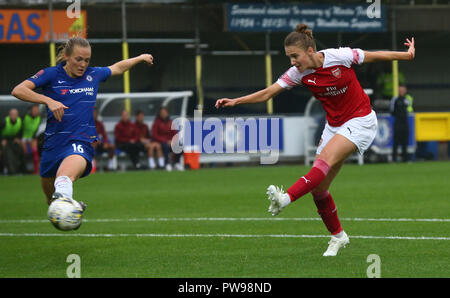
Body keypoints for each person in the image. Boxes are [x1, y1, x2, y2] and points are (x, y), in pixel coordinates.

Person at [215, 24, 415, 256]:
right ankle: (338, 236)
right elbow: (268, 93)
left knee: (324, 162)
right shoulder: (297, 74)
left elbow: (374, 56)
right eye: (289, 57)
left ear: (310, 51)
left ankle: (285, 198)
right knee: (319, 188)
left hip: (361, 121)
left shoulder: (339, 56)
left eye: (295, 56)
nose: (292, 62)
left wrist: (406, 55)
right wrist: (235, 101)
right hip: (334, 126)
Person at [11, 36, 154, 211]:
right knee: (52, 201)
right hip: (53, 144)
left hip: (80, 141)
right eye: (78, 59)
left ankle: (67, 201)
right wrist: (48, 100)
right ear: (66, 56)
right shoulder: (51, 74)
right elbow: (18, 90)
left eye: (86, 60)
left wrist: (139, 58)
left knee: (64, 179)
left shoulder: (93, 75)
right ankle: (67, 205)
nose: (83, 64)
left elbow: (117, 67)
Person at [151, 106, 183, 171]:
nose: (164, 114)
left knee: (180, 145)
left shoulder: (170, 122)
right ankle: (167, 163)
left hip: (170, 141)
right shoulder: (156, 123)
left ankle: (176, 163)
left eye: (165, 112)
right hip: (161, 142)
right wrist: (165, 140)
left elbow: (175, 133)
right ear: (160, 114)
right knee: (165, 147)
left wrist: (172, 140)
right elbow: (155, 135)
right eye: (162, 113)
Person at [0, 108, 26, 175]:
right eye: (12, 114)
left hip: (13, 140)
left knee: (20, 150)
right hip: (4, 140)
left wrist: (18, 138)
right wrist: (2, 139)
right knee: (8, 153)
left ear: (17, 115)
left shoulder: (20, 121)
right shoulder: (4, 121)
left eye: (15, 114)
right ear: (9, 115)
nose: (14, 116)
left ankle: (21, 170)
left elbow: (21, 132)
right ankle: (9, 170)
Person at [390, 85, 411, 162]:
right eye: (400, 90)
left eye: (403, 90)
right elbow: (392, 111)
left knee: (405, 140)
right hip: (398, 122)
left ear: (405, 91)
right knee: (396, 141)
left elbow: (410, 108)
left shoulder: (408, 99)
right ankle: (394, 159)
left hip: (405, 122)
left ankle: (405, 159)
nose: (402, 91)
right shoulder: (395, 99)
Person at [21, 104, 42, 174]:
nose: (36, 111)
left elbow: (38, 130)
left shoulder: (39, 118)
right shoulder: (24, 116)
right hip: (23, 137)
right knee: (24, 152)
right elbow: (20, 128)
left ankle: (36, 171)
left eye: (37, 110)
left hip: (32, 137)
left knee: (35, 152)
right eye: (34, 109)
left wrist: (34, 138)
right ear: (31, 110)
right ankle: (24, 170)